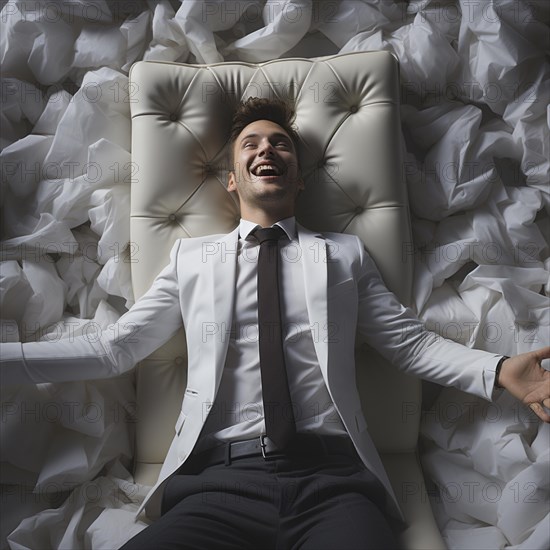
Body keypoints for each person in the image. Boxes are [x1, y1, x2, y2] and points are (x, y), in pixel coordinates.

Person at [1, 98, 549, 550]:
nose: (267, 149)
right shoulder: (193, 259)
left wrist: (500, 369)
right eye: (252, 145)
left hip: (334, 485)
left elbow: (407, 344)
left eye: (280, 143)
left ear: (300, 178)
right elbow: (115, 349)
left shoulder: (344, 255)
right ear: (233, 181)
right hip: (215, 487)